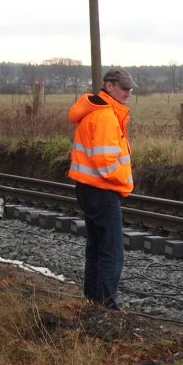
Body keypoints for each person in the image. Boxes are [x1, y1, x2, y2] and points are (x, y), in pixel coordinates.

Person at [67, 68, 136, 310]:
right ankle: (106, 306)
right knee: (112, 251)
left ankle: (93, 301)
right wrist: (125, 181)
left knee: (96, 247)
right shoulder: (106, 116)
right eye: (124, 87)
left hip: (88, 189)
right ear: (109, 86)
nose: (128, 92)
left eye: (129, 88)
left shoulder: (94, 112)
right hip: (102, 190)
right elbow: (106, 161)